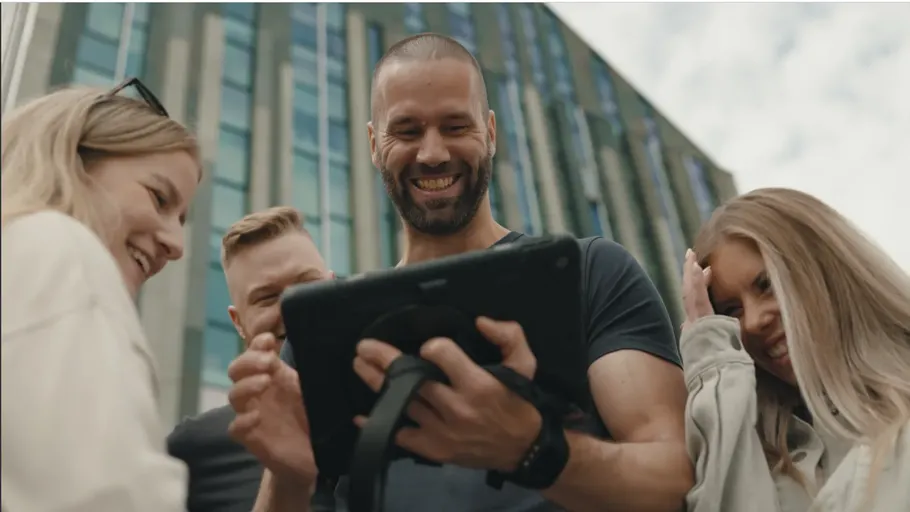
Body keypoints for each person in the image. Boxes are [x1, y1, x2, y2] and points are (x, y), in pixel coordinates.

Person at [228, 33, 692, 512]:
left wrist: (530, 447)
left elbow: (673, 479)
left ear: (490, 132)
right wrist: (287, 479)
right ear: (373, 143)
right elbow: (291, 481)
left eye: (455, 126)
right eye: (406, 131)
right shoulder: (323, 329)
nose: (431, 153)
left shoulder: (592, 272)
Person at [1, 81, 201, 511]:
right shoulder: (62, 251)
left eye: (181, 219)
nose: (176, 244)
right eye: (159, 197)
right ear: (72, 159)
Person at [680, 187, 910, 512]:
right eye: (732, 311)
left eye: (767, 285)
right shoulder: (768, 460)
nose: (753, 322)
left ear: (827, 269)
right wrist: (710, 356)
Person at [167, 206, 333, 512]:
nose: (292, 307)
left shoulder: (413, 414)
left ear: (334, 286)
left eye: (307, 283)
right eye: (267, 298)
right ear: (238, 322)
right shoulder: (193, 451)